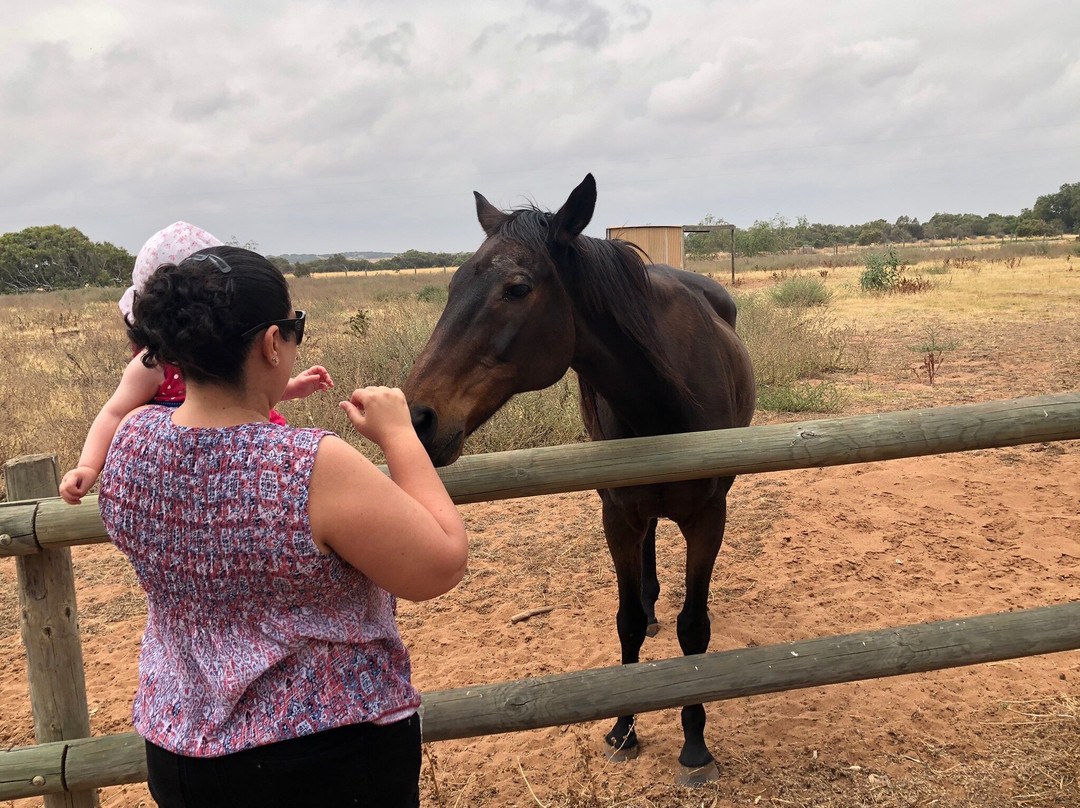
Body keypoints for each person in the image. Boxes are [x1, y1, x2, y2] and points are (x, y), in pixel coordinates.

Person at [96, 245, 468, 807]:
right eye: (294, 328)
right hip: (325, 754)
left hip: (179, 750)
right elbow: (440, 564)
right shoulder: (308, 464)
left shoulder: (133, 440)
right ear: (272, 342)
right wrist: (399, 436)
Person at [59, 223, 333, 505]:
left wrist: (294, 387)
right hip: (190, 474)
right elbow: (113, 413)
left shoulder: (171, 360)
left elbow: (247, 391)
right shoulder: (152, 365)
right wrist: (89, 466)